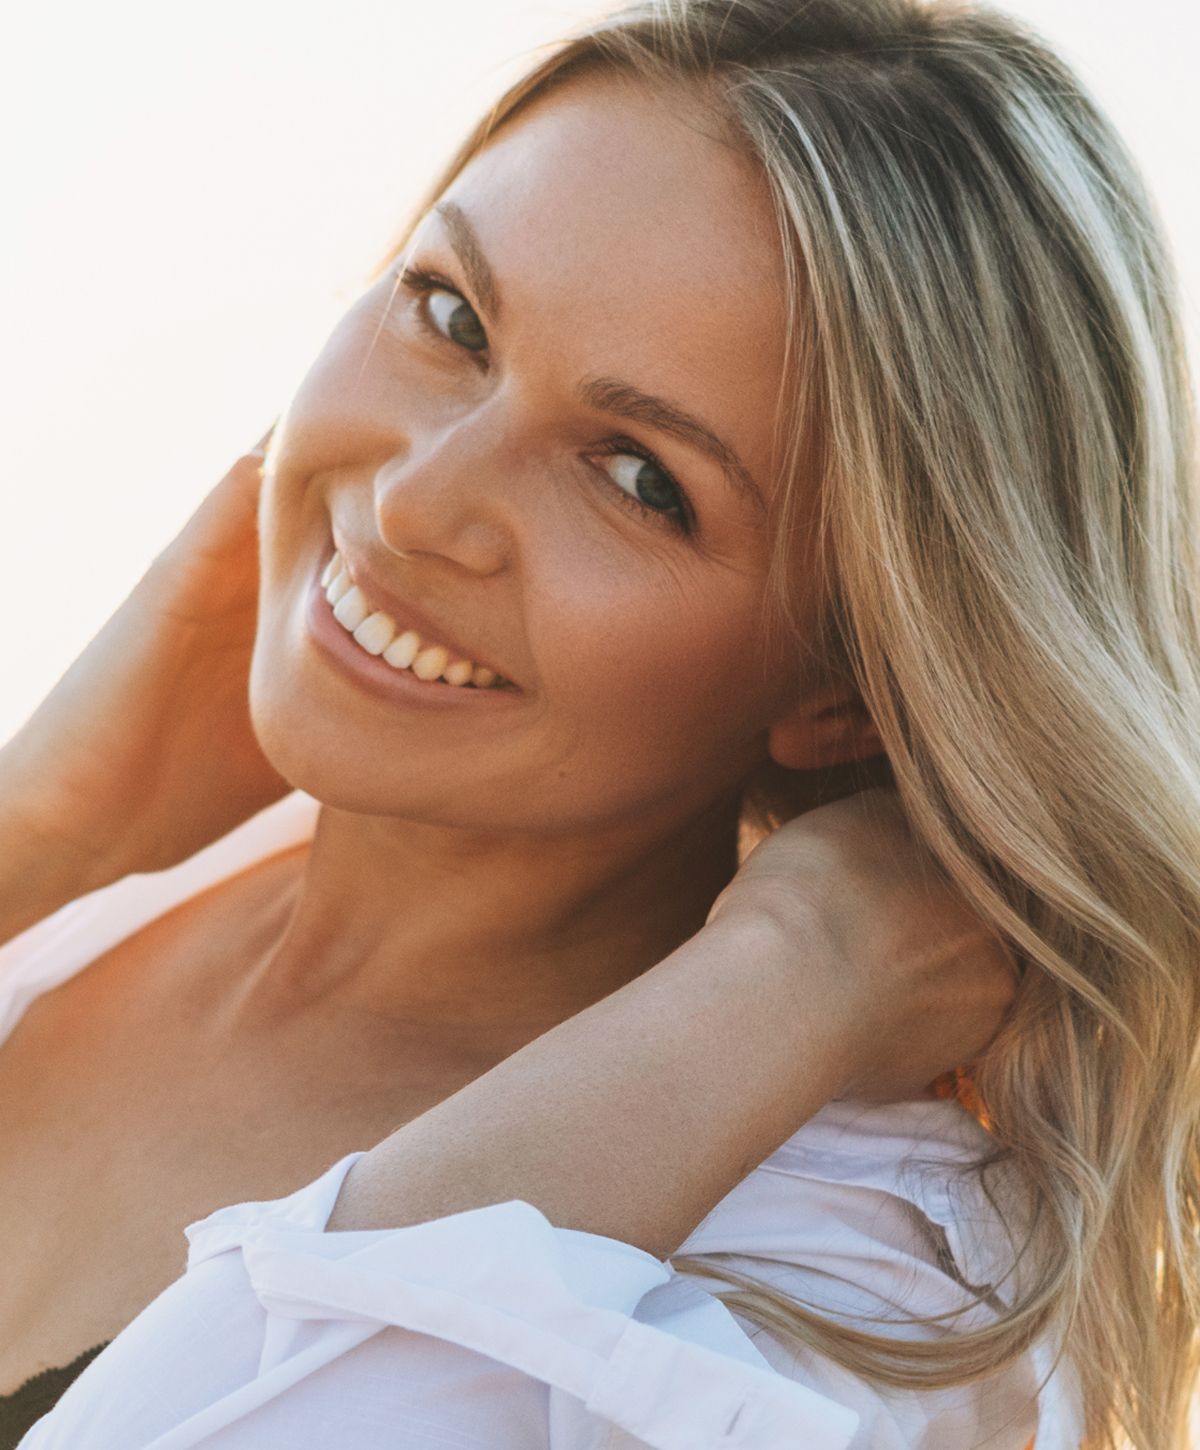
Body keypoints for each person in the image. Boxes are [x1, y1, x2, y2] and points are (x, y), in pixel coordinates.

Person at [0, 0, 1195, 1446]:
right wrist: (46, 830)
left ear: (840, 688)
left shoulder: (859, 1288)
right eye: (451, 316)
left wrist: (796, 967)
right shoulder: (86, 924)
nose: (418, 500)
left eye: (638, 477)